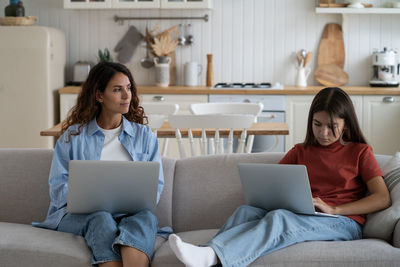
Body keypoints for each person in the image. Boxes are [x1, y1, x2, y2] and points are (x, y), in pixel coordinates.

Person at [168, 87, 392, 267]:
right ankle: (207, 253)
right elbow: (272, 184)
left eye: (332, 126)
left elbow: (382, 197)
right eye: (317, 124)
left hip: (343, 223)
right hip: (303, 214)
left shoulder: (360, 152)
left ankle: (212, 257)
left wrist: (335, 209)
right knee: (246, 211)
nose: (323, 133)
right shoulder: (300, 151)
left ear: (346, 124)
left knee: (280, 219)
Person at [33, 61, 164, 267]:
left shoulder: (144, 136)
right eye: (117, 89)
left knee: (146, 217)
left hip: (131, 214)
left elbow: (155, 188)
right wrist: (89, 199)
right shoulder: (73, 137)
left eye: (128, 88)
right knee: (101, 218)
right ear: (99, 95)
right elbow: (58, 188)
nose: (126, 95)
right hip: (83, 216)